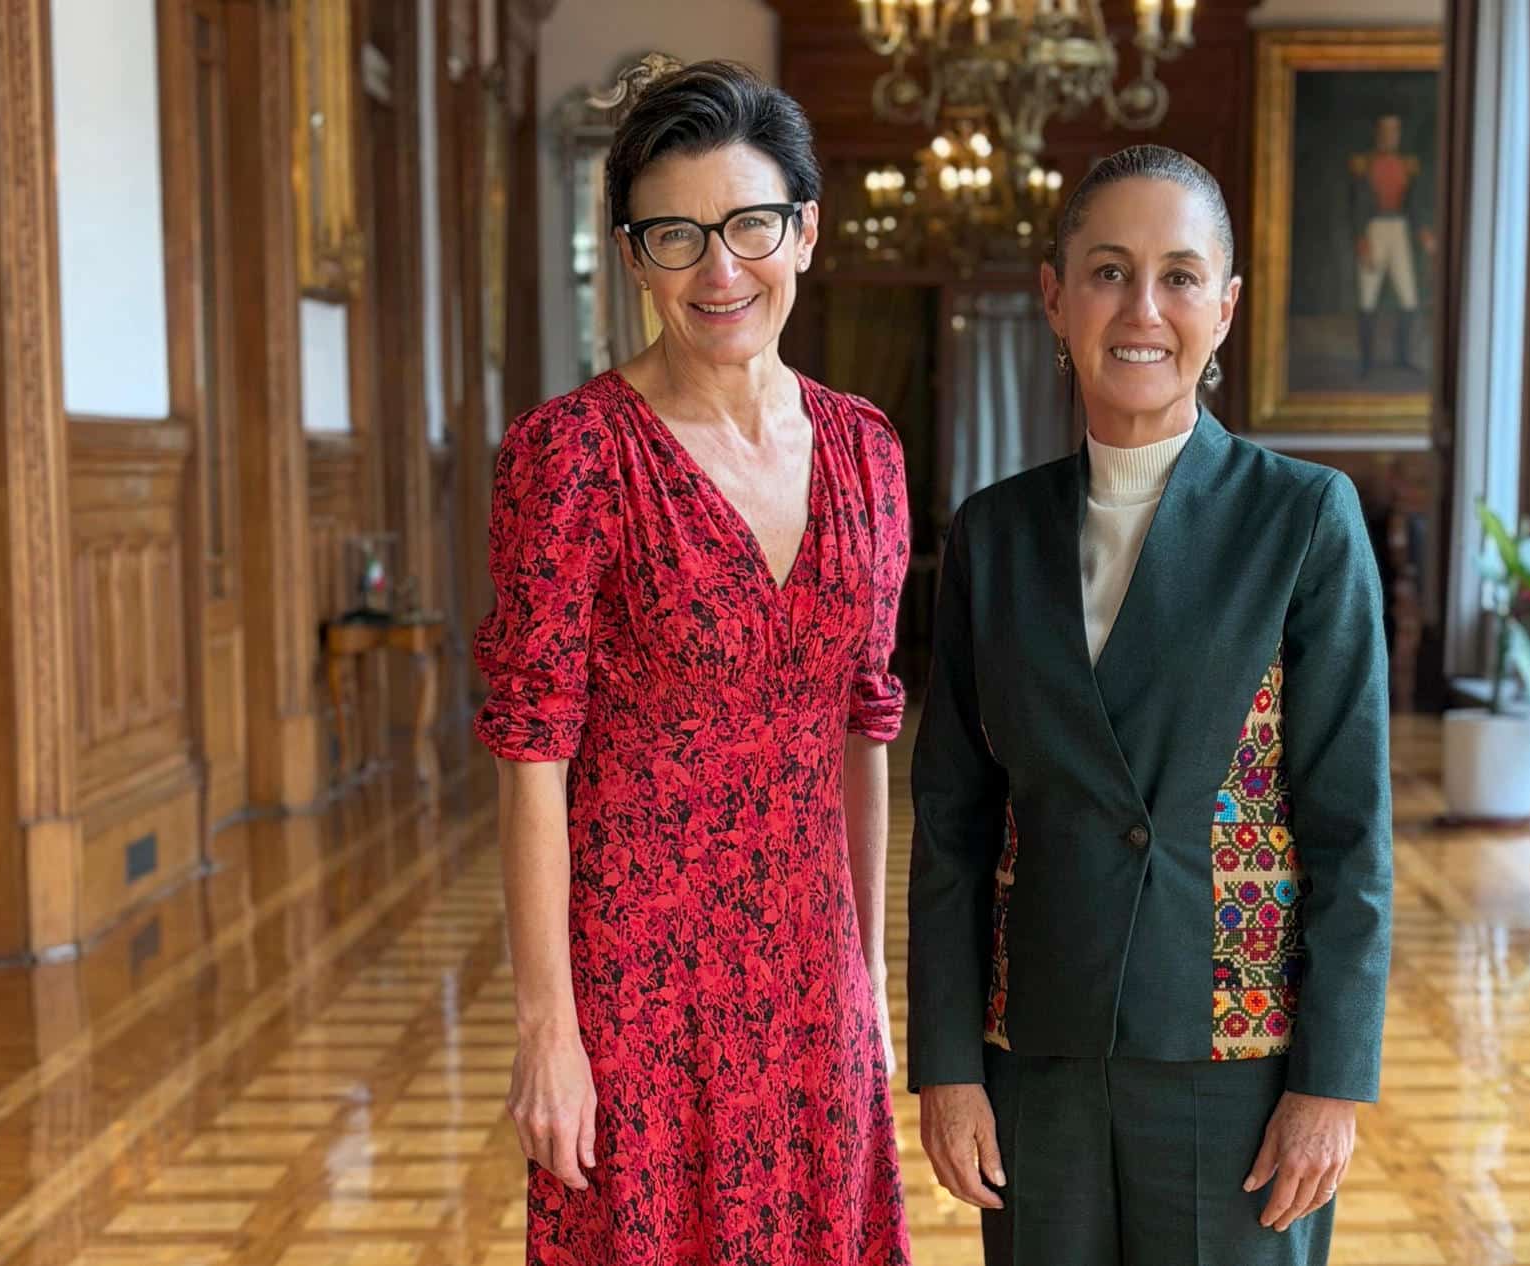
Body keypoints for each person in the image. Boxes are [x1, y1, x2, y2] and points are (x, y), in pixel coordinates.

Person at [908, 144, 1393, 1266]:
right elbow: (951, 827)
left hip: (1238, 1053)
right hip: (1037, 1049)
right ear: (1054, 296)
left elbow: (1352, 829)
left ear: (1224, 308)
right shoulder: (994, 534)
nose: (1143, 309)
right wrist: (947, 1066)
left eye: (1179, 276)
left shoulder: (1303, 519)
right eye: (1109, 271)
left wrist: (1332, 1082)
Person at [472, 61, 912, 1265]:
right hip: (639, 985)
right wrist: (548, 1031)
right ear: (633, 256)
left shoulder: (867, 452)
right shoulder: (570, 457)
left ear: (805, 231)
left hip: (810, 972)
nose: (720, 271)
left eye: (750, 225)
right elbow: (530, 758)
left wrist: (869, 979)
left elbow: (865, 724)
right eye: (677, 236)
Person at [1348, 114, 1436, 375]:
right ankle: (1366, 362)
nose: (1390, 136)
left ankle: (1403, 357)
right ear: (1378, 133)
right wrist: (1361, 238)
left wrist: (1423, 232)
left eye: (1394, 131)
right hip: (1374, 228)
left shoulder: (1408, 165)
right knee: (1368, 297)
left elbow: (1414, 204)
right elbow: (1356, 204)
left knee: (1408, 297)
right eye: (1386, 130)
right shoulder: (1363, 165)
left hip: (1399, 229)